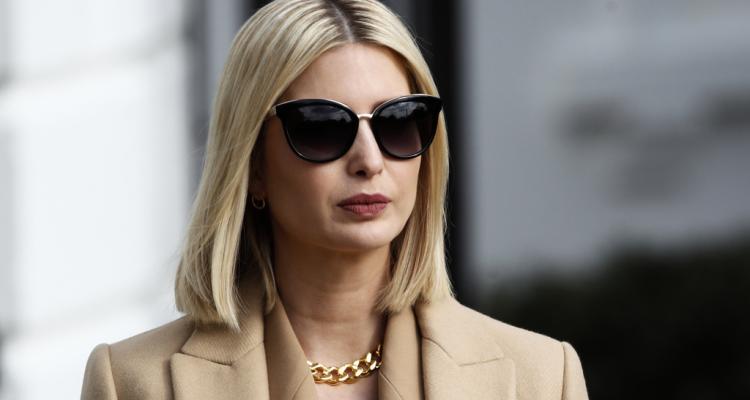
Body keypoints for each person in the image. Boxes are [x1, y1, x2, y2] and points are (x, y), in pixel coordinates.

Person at [80, 0, 589, 399]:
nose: (369, 160)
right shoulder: (132, 383)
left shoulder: (542, 378)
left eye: (399, 122)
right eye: (323, 127)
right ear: (253, 167)